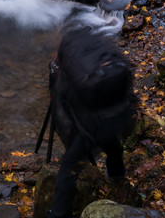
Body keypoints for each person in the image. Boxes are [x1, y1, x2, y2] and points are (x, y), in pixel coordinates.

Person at [46, 23, 136, 218]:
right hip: (118, 114)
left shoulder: (70, 59)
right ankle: (117, 173)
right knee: (112, 142)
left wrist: (72, 133)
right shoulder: (94, 44)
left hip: (93, 123)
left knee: (69, 166)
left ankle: (57, 213)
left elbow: (66, 101)